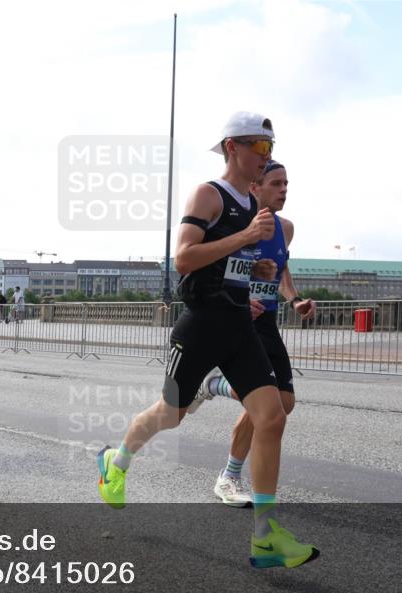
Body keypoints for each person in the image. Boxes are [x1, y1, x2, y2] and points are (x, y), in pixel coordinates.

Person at [96, 111, 319, 569]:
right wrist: (244, 238)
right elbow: (183, 258)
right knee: (169, 415)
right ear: (232, 147)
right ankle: (115, 464)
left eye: (271, 149)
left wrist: (255, 270)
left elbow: (229, 263)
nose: (267, 157)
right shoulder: (210, 194)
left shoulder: (252, 208)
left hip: (239, 324)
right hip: (200, 327)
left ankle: (264, 535)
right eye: (260, 147)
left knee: (273, 415)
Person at [187, 160, 317, 510]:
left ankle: (213, 386)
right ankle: (230, 477)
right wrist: (240, 299)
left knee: (283, 403)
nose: (284, 189)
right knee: (266, 406)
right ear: (254, 187)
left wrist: (294, 299)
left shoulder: (285, 228)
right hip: (239, 320)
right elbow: (217, 267)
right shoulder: (236, 225)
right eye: (276, 183)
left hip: (268, 320)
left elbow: (282, 266)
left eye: (286, 183)